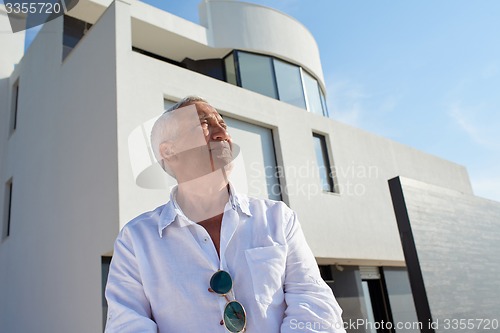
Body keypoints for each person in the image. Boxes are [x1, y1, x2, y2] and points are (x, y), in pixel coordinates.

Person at [104, 96, 346, 332]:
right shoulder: (135, 240)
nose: (222, 134)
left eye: (223, 124)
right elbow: (126, 325)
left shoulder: (278, 219)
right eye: (204, 126)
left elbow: (315, 307)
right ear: (169, 152)